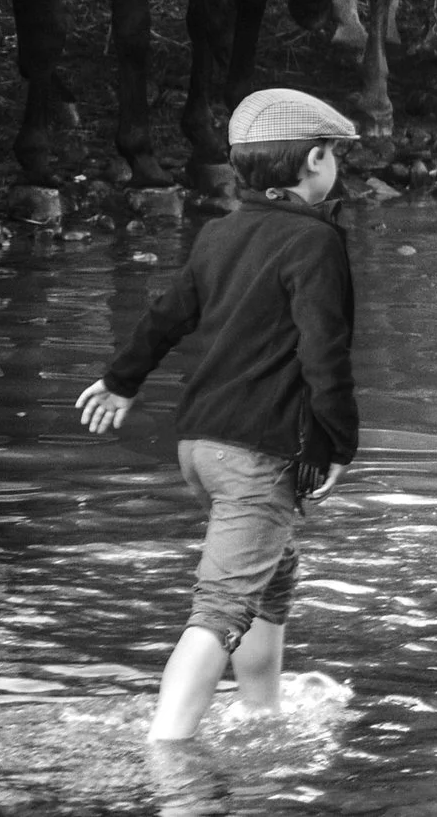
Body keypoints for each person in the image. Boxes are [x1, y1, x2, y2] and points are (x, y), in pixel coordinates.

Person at [73, 87, 361, 741]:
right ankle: (166, 757)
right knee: (221, 609)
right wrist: (339, 442)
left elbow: (167, 315)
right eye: (335, 155)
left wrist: (122, 382)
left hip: (201, 445)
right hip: (258, 452)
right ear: (316, 159)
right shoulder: (316, 242)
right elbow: (325, 354)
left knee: (272, 573)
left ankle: (262, 712)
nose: (336, 165)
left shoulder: (219, 233)